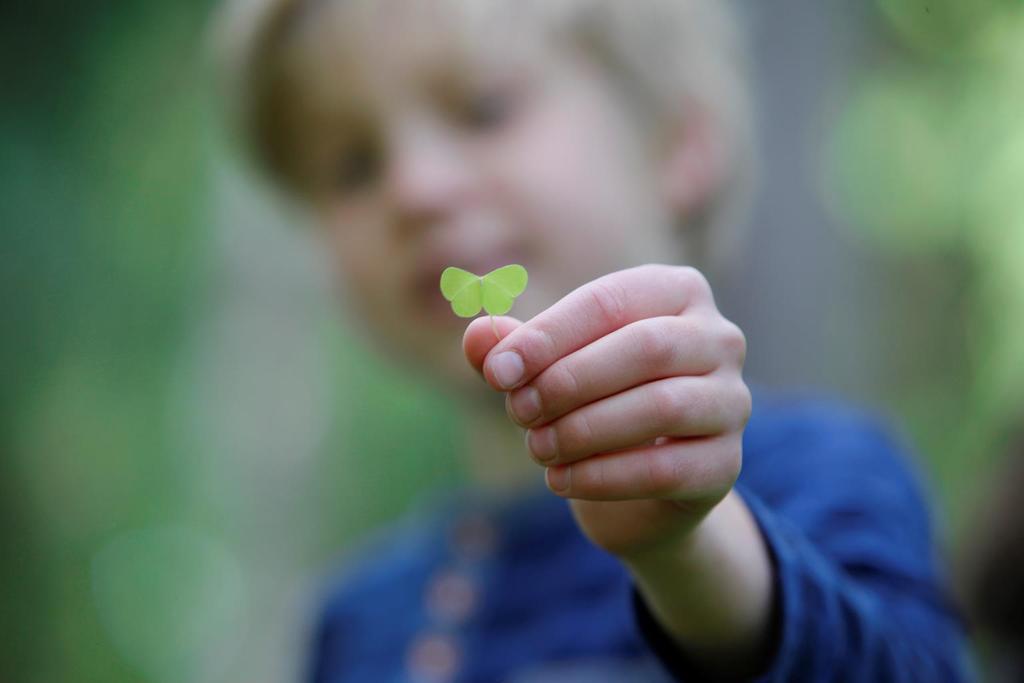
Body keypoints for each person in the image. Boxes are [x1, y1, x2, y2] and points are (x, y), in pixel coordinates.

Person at [217, 0, 973, 679]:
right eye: (352, 166)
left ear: (678, 143)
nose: (413, 187)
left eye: (483, 109)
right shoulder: (353, 624)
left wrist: (692, 549)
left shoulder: (828, 471)